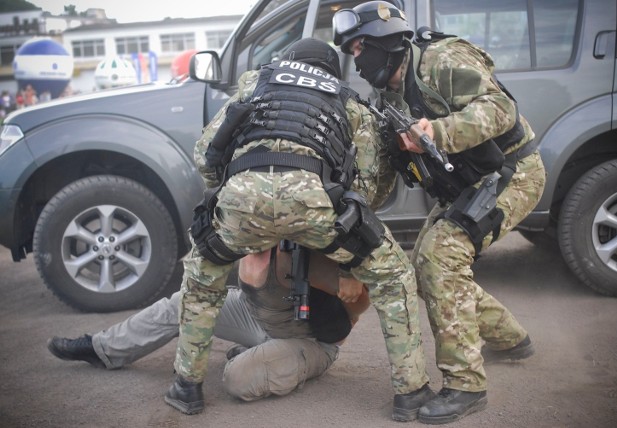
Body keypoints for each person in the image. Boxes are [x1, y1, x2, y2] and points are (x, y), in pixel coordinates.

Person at [166, 38, 433, 420]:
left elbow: (207, 154)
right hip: (316, 203)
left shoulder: (255, 83)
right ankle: (411, 393)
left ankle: (186, 387)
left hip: (245, 200)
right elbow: (372, 185)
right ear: (332, 71)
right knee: (393, 278)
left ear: (286, 62)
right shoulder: (347, 99)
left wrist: (235, 193)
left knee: (201, 280)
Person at [333, 1, 546, 425]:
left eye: (360, 48)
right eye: (351, 52)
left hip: (511, 171)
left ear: (386, 42)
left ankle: (466, 384)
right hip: (466, 187)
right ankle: (511, 339)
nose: (356, 60)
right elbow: (386, 175)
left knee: (440, 258)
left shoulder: (440, 60)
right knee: (421, 271)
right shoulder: (385, 97)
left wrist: (440, 131)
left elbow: (500, 109)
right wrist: (352, 210)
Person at [47, 244, 370, 402]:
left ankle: (273, 361)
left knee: (239, 379)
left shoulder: (303, 253)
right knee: (182, 303)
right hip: (252, 314)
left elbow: (358, 298)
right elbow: (200, 282)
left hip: (306, 339)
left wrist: (339, 332)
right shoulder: (235, 234)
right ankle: (102, 349)